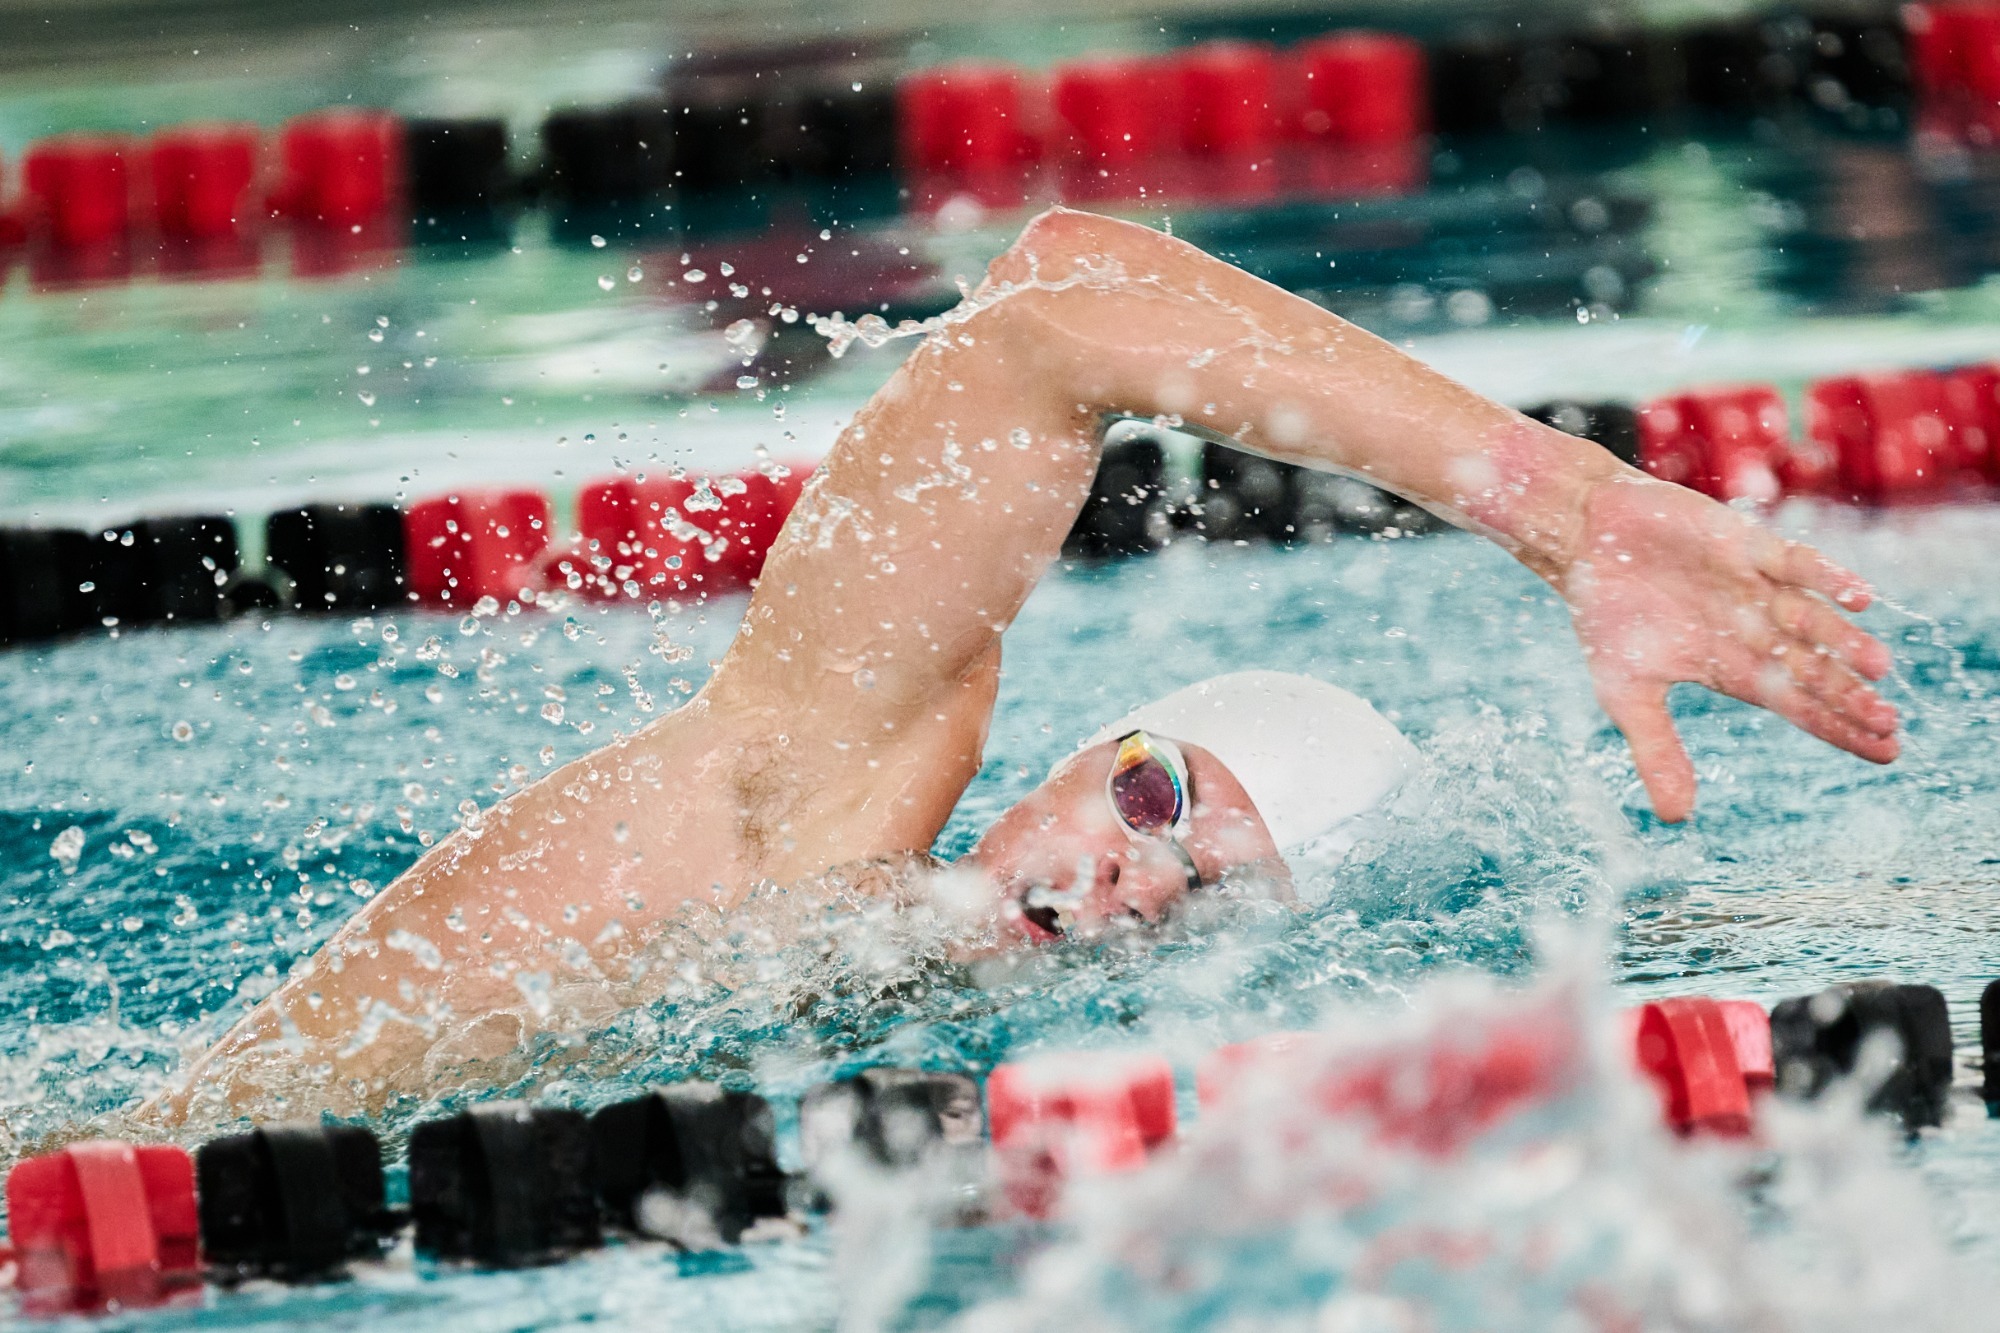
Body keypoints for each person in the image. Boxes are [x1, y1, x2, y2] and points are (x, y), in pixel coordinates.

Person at [146, 207, 1897, 1126]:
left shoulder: (877, 1025)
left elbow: (1069, 266)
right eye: (1157, 797)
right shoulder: (807, 799)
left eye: (1211, 893)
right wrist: (1566, 507)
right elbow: (1054, 324)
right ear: (1074, 754)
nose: (1137, 880)